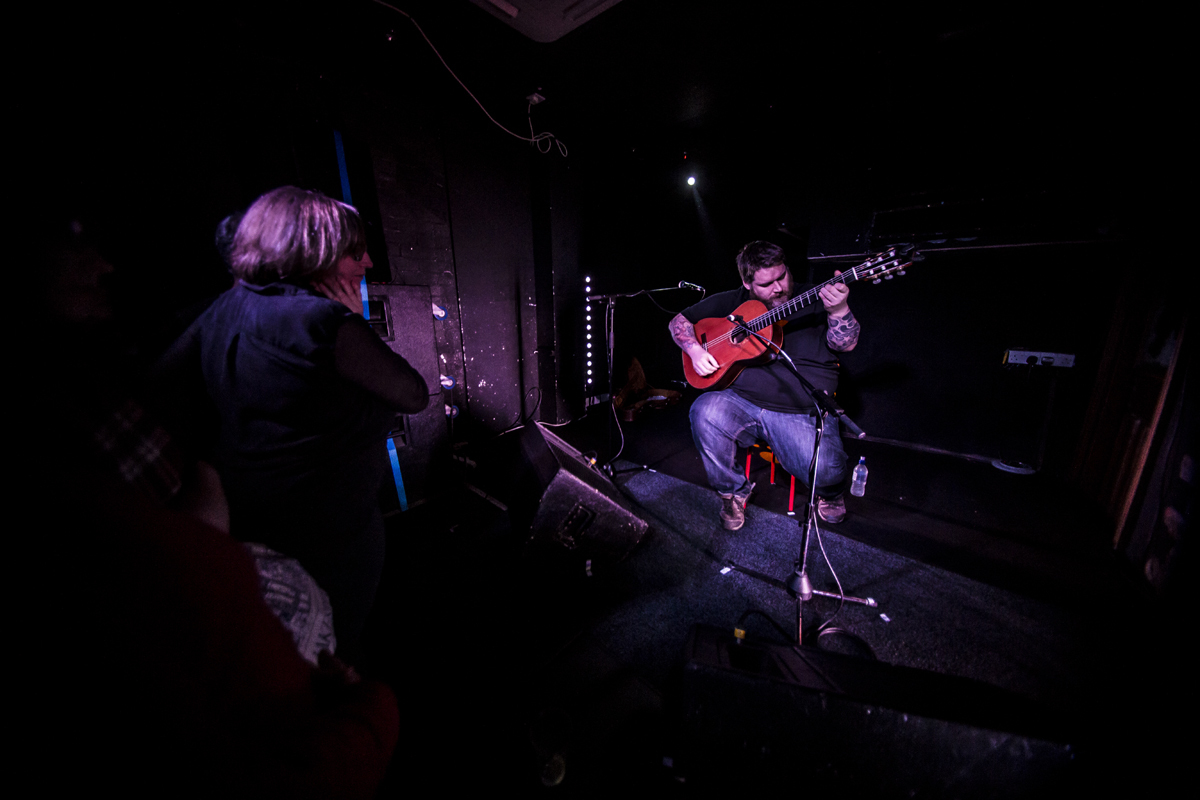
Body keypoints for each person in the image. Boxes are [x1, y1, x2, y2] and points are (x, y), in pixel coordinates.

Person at [161, 186, 429, 658]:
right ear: (315, 249)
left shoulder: (223, 308)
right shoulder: (321, 322)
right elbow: (413, 393)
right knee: (335, 653)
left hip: (258, 533)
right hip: (331, 539)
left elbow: (164, 387)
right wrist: (353, 320)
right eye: (354, 251)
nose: (366, 264)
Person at [669, 240, 860, 530]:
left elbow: (846, 344)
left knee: (828, 470)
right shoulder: (732, 300)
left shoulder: (816, 296)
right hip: (741, 401)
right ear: (747, 283)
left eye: (782, 276)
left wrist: (839, 310)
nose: (779, 288)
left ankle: (830, 493)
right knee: (703, 412)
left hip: (800, 410)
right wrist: (695, 350)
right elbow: (678, 322)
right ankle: (733, 491)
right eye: (766, 283)